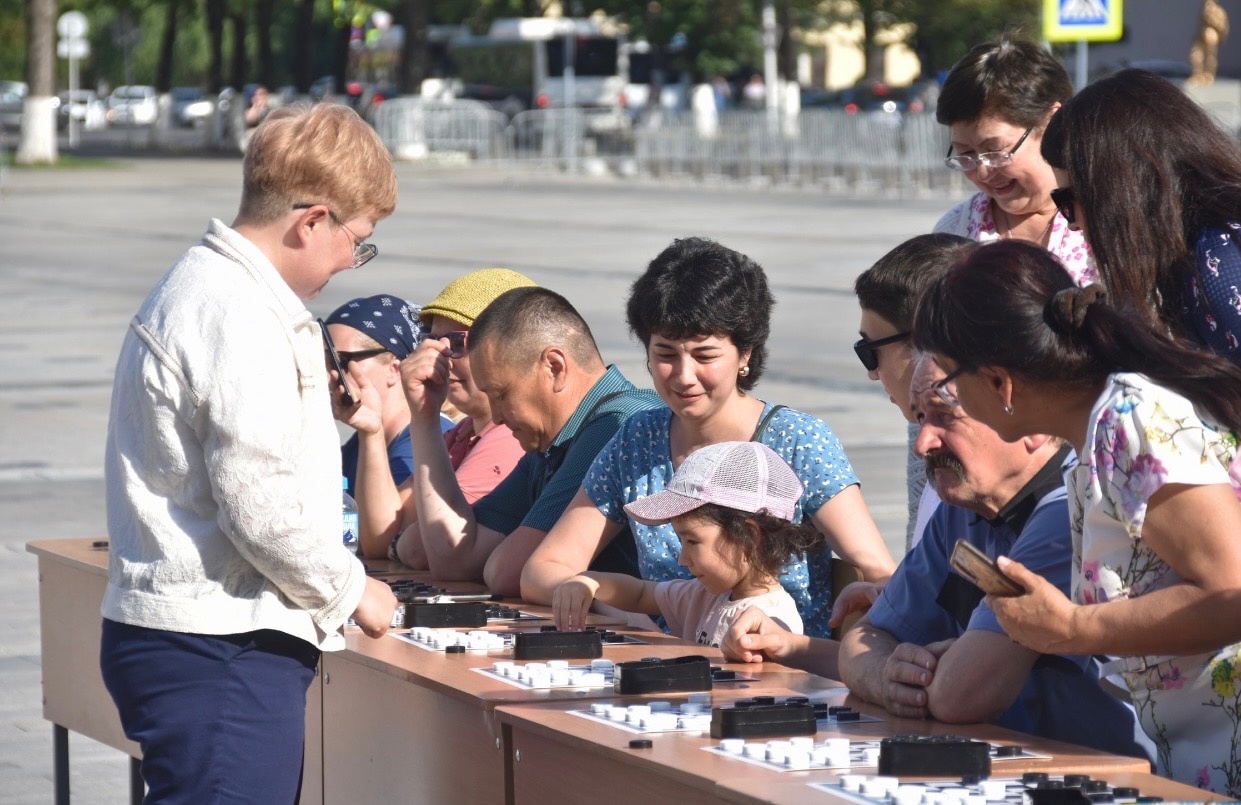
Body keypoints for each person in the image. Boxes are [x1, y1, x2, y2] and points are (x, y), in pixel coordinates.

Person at [100, 103, 400, 802]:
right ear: (311, 220)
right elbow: (257, 503)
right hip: (222, 645)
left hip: (200, 640)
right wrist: (352, 589)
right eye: (357, 240)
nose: (352, 260)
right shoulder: (238, 311)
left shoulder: (210, 287)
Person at [913, 239, 1241, 795]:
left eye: (951, 387)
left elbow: (1231, 589)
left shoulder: (1127, 417)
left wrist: (1069, 628)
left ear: (999, 381)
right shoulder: (1094, 435)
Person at [722, 354, 1152, 761]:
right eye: (920, 417)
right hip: (1001, 766)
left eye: (945, 416)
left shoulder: (1068, 511)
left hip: (1106, 779)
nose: (923, 443)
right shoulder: (960, 510)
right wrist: (887, 674)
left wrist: (928, 671)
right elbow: (863, 638)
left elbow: (958, 696)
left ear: (1022, 415)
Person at [521, 237, 896, 638]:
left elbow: (878, 573)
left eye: (704, 356)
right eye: (665, 355)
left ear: (745, 355)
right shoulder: (636, 439)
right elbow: (542, 571)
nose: (683, 377)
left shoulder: (797, 439)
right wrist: (614, 607)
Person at [395, 285, 662, 595]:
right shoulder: (549, 444)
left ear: (555, 367)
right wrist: (425, 417)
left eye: (502, 395)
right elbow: (451, 559)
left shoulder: (618, 425)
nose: (496, 418)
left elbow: (507, 572)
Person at [1041, 68, 1241, 365]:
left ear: (1118, 189)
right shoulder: (1190, 253)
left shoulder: (1216, 259)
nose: (1070, 223)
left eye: (1068, 199)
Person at [552, 441, 819, 644]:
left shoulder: (774, 622)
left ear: (749, 536)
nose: (682, 558)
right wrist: (589, 582)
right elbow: (640, 594)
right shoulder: (703, 596)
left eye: (692, 540)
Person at [369, 269, 531, 562]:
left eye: (458, 342)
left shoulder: (510, 435)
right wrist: (413, 418)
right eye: (431, 340)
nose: (440, 356)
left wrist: (398, 543)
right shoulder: (461, 432)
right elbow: (379, 537)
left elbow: (425, 548)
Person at [932, 38, 1095, 285]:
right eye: (965, 154)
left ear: (1053, 124)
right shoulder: (956, 230)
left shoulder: (1107, 222)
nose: (983, 172)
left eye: (995, 150)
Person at [854, 233, 977, 551]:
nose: (871, 373)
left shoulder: (974, 478)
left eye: (869, 351)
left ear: (926, 342)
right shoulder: (948, 471)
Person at [324, 294, 428, 503]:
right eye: (322, 362)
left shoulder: (417, 450)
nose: (328, 375)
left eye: (340, 361)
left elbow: (384, 533)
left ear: (395, 369)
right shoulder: (359, 443)